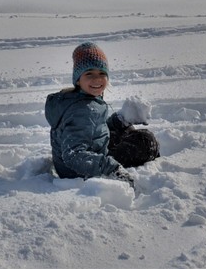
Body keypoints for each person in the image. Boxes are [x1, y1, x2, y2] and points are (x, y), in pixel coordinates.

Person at [44, 41, 159, 186]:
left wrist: (120, 121)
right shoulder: (81, 111)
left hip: (89, 151)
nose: (97, 79)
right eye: (89, 73)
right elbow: (73, 156)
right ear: (78, 80)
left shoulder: (85, 98)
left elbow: (95, 128)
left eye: (102, 73)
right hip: (79, 171)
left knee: (127, 130)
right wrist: (112, 168)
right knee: (144, 142)